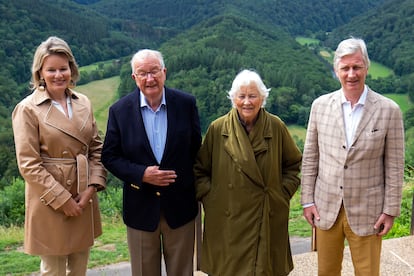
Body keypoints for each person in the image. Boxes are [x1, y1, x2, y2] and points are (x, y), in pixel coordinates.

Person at [301, 37, 405, 276]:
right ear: (336, 70)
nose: (351, 74)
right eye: (345, 68)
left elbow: (395, 165)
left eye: (357, 67)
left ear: (366, 68)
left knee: (368, 273)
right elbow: (310, 158)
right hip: (326, 207)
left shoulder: (389, 110)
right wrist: (307, 201)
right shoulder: (320, 106)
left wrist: (390, 210)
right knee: (326, 272)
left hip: (369, 209)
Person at [12, 36, 107, 276]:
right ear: (40, 72)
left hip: (83, 197)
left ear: (71, 69)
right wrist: (63, 200)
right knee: (53, 271)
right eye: (51, 69)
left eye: (63, 68)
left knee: (79, 268)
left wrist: (90, 189)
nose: (58, 75)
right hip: (49, 201)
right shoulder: (27, 109)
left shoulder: (83, 102)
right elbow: (29, 165)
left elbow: (97, 149)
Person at [101, 49, 201, 276]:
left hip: (181, 207)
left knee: (182, 272)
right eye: (142, 73)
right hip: (141, 209)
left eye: (154, 71)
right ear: (134, 78)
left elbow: (196, 151)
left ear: (164, 72)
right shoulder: (119, 111)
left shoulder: (186, 104)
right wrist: (141, 174)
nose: (150, 78)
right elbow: (109, 156)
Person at [194, 69, 302, 275]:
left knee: (264, 269)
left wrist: (279, 193)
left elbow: (293, 165)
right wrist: (213, 198)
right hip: (226, 220)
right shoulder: (218, 129)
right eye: (241, 96)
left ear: (262, 98)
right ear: (233, 98)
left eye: (252, 96)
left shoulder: (276, 126)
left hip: (267, 215)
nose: (247, 102)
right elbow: (200, 170)